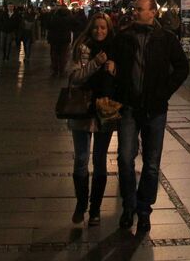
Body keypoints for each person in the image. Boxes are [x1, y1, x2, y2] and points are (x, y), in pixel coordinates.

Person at [112, 0, 189, 234]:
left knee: (152, 163)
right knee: (125, 158)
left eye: (139, 9)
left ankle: (144, 210)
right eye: (135, 9)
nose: (135, 12)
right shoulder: (124, 37)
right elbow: (113, 63)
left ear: (152, 12)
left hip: (155, 109)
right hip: (129, 107)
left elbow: (182, 67)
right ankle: (129, 206)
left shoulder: (166, 39)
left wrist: (164, 92)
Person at [67, 13, 116, 225]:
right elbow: (74, 77)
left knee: (100, 160)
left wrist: (115, 70)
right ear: (90, 28)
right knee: (81, 159)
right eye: (96, 27)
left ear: (109, 29)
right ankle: (81, 204)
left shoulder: (115, 50)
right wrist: (96, 63)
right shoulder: (82, 48)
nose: (99, 31)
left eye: (103, 27)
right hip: (82, 108)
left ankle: (95, 209)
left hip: (106, 108)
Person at [47, 5, 74, 76]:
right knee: (63, 55)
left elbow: (49, 26)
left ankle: (55, 71)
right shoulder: (69, 17)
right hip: (65, 39)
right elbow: (74, 26)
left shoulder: (54, 17)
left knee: (55, 55)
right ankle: (62, 70)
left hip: (55, 39)